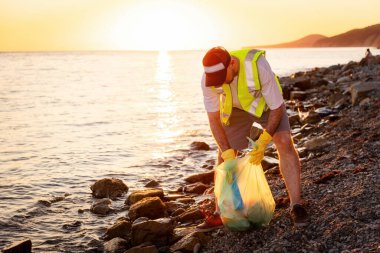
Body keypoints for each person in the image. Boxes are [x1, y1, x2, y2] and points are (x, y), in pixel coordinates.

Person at [197, 46, 309, 230]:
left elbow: (277, 107)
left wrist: (264, 140)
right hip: (236, 110)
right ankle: (221, 211)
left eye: (221, 78)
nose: (218, 83)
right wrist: (227, 153)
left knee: (284, 141)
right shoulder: (209, 80)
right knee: (224, 154)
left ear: (232, 64)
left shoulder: (257, 66)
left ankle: (296, 205)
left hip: (266, 106)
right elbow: (214, 119)